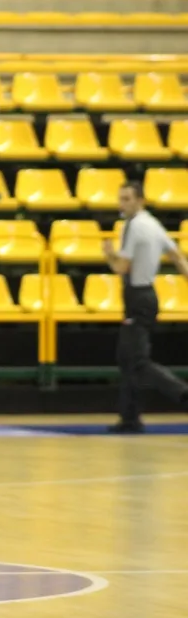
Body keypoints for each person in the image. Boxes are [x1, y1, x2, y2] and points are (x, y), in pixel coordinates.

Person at [103, 180, 188, 433]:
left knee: (138, 361)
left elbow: (121, 268)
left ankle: (182, 393)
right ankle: (130, 418)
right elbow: (176, 255)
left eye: (127, 199)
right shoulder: (153, 224)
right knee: (127, 358)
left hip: (137, 296)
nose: (122, 204)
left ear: (140, 200)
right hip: (147, 295)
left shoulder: (134, 227)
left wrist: (108, 253)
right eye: (120, 199)